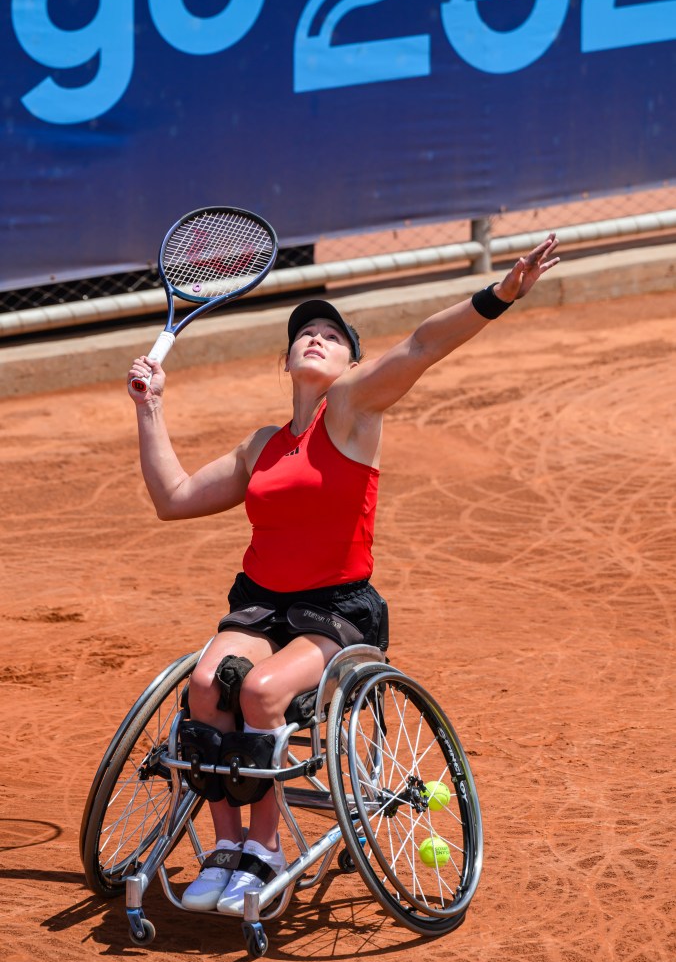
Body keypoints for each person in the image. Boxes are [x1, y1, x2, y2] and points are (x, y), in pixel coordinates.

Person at [127, 232, 560, 913]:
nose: (316, 338)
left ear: (354, 361)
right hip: (260, 604)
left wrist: (499, 294)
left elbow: (419, 345)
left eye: (333, 335)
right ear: (287, 357)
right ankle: (224, 847)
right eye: (305, 333)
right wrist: (149, 408)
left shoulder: (353, 409)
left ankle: (264, 848)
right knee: (208, 685)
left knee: (263, 692)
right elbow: (171, 498)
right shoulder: (262, 445)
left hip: (334, 611)